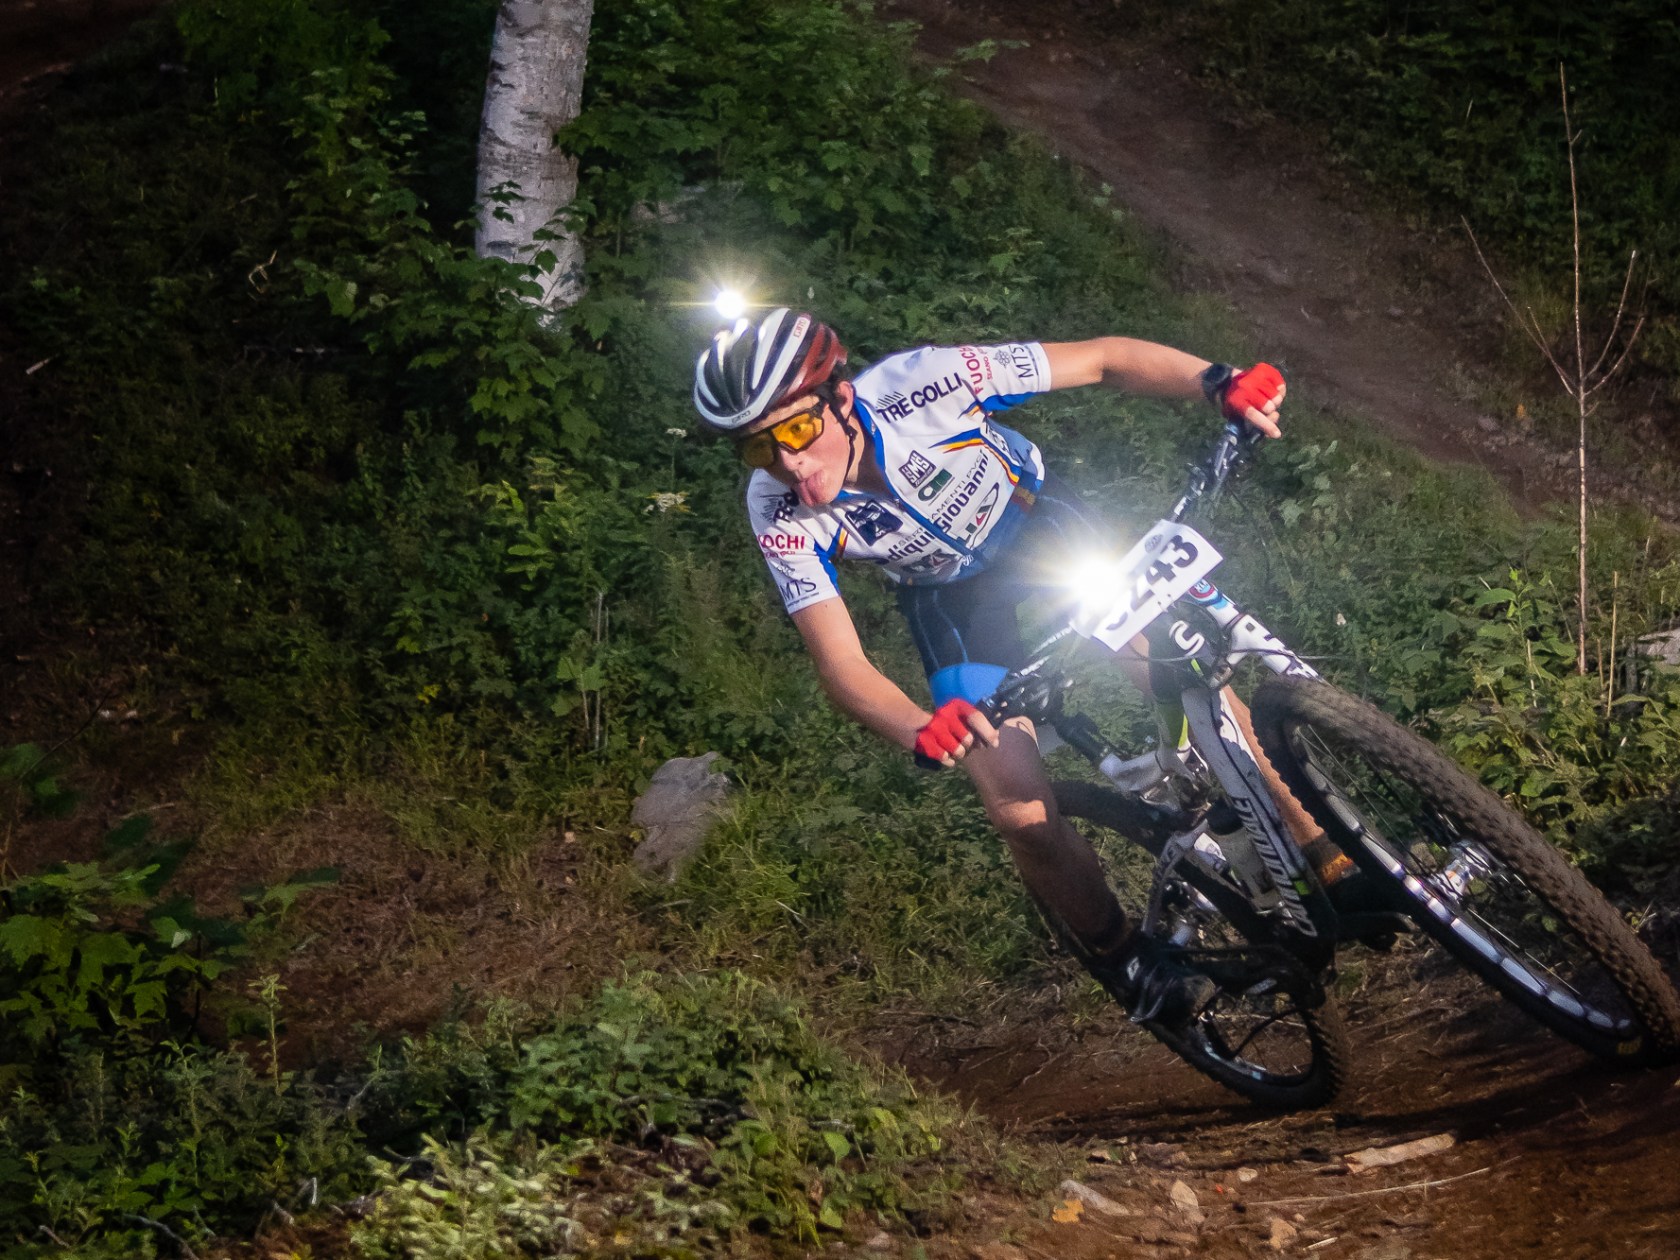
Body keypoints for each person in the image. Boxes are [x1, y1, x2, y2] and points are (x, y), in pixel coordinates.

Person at [692, 309, 1343, 1021]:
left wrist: (1216, 382)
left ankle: (1325, 854)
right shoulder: (777, 511)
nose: (786, 463)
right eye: (758, 450)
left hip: (1040, 526)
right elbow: (840, 662)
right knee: (1020, 809)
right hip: (955, 603)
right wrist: (921, 728)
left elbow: (1102, 353)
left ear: (841, 399)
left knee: (1170, 659)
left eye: (793, 431)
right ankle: (1122, 957)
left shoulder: (927, 384)